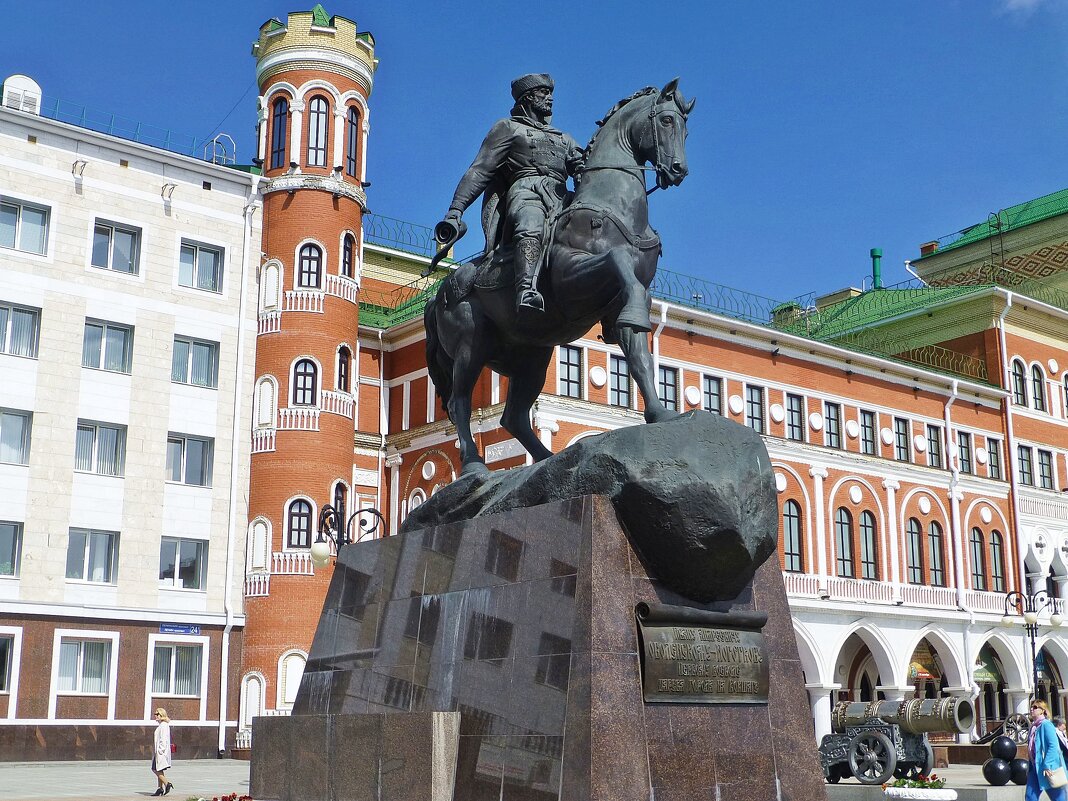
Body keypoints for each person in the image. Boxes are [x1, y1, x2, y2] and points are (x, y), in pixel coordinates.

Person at [441, 73, 584, 315]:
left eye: (550, 94)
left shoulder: (564, 138)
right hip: (527, 192)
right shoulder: (508, 128)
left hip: (563, 197)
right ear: (528, 98)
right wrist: (456, 210)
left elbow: (581, 165)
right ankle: (526, 289)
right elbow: (480, 170)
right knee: (531, 221)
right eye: (544, 93)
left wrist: (584, 169)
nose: (550, 98)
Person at [1028, 700, 1066, 801]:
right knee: (1030, 797)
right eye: (1031, 707)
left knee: (1058, 797)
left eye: (1035, 707)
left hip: (1047, 768)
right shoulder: (1033, 727)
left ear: (1042, 711)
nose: (1032, 709)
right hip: (1035, 767)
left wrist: (1047, 764)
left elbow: (1053, 746)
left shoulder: (1046, 725)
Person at [151, 707, 173, 796]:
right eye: (155, 714)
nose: (155, 716)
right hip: (159, 752)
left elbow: (163, 739)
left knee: (155, 769)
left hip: (160, 752)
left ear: (162, 715)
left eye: (157, 714)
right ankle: (160, 788)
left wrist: (160, 750)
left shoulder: (164, 725)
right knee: (159, 770)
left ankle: (167, 784)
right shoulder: (162, 725)